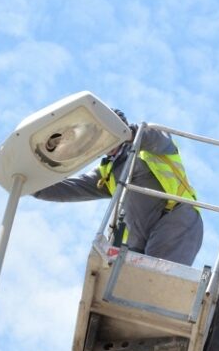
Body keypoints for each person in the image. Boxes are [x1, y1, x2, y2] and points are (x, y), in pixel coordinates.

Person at [33, 110, 203, 266]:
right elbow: (70, 188)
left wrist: (126, 133)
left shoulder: (149, 145)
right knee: (135, 288)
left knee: (155, 279)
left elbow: (156, 136)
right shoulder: (107, 172)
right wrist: (32, 185)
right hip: (141, 242)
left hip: (176, 219)